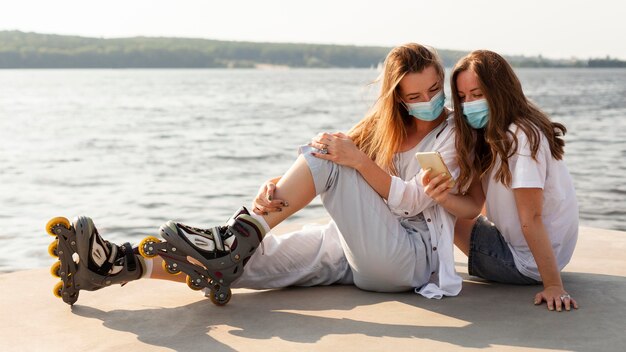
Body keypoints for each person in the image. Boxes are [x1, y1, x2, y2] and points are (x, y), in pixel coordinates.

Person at [47, 43, 476, 306]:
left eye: (435, 90)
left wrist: (357, 161)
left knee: (328, 156)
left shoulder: (452, 134)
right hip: (357, 247)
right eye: (415, 96)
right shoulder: (383, 128)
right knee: (246, 262)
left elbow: (413, 200)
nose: (429, 101)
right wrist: (274, 186)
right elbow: (321, 161)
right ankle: (117, 264)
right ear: (396, 98)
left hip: (410, 259)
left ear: (443, 81)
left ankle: (236, 235)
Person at [423, 50, 579, 312]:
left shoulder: (521, 137)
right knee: (438, 198)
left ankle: (397, 260)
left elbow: (532, 217)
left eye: (478, 94)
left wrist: (553, 285)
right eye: (462, 97)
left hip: (523, 263)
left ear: (499, 91)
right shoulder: (500, 131)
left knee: (425, 204)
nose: (468, 104)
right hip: (542, 255)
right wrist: (444, 196)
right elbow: (475, 208)